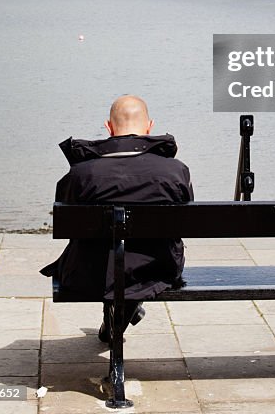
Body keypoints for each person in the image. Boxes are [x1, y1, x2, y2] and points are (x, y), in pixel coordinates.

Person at [40, 95, 193, 343]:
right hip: (157, 267)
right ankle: (121, 313)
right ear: (149, 128)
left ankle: (116, 318)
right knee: (133, 257)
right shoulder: (174, 170)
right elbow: (185, 219)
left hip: (91, 270)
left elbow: (67, 220)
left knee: (107, 252)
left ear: (109, 128)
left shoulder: (82, 173)